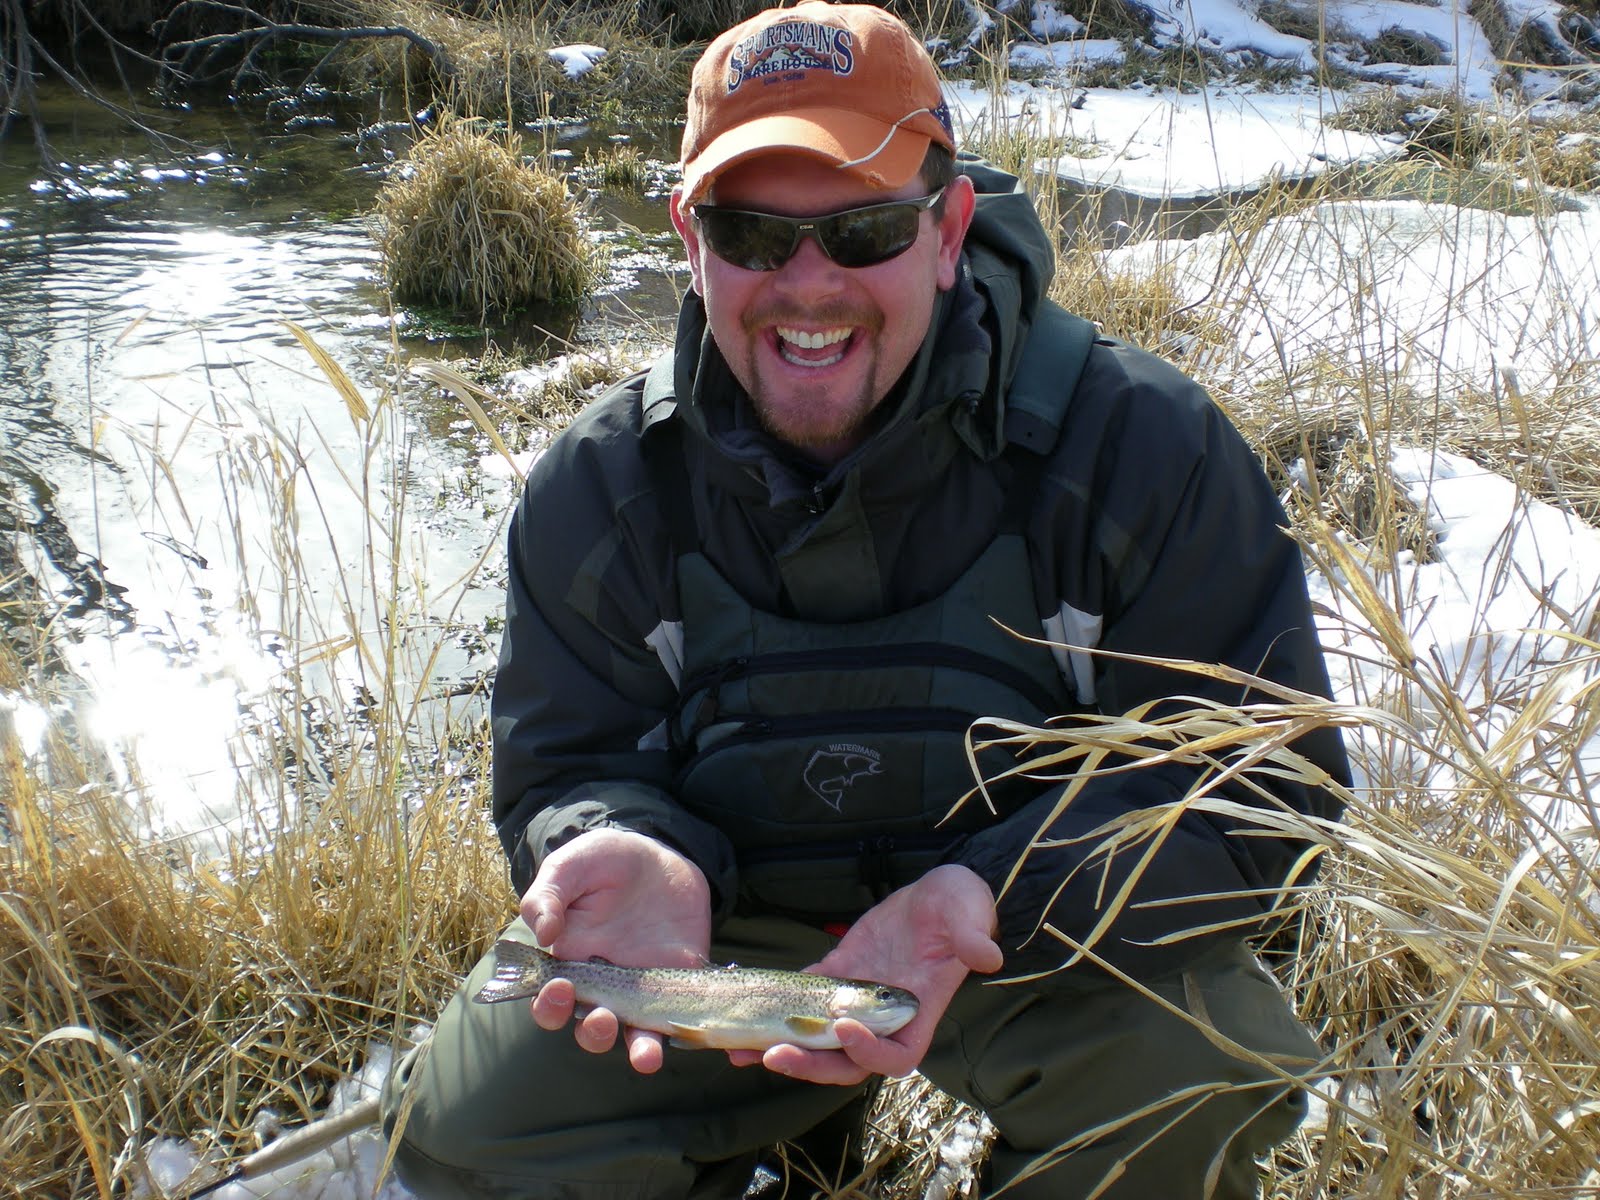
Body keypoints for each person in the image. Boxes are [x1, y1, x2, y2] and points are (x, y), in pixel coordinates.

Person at [381, 3, 1351, 1197]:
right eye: (751, 233)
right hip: (716, 950)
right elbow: (567, 758)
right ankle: (776, 1134)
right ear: (689, 237)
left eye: (864, 230)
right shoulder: (600, 485)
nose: (807, 285)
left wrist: (993, 895)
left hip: (1032, 937)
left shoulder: (1143, 448)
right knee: (470, 1131)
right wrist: (616, 839)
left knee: (1202, 1077)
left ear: (948, 230)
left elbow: (1262, 785)